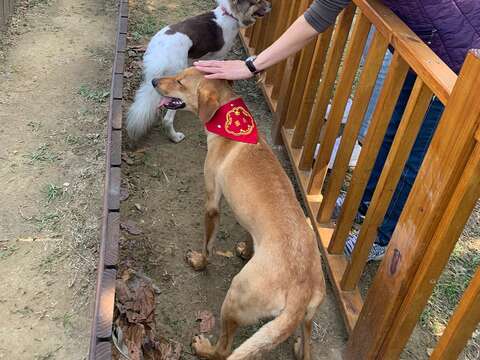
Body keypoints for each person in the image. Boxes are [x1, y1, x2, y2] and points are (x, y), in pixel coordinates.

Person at [195, 0, 480, 261]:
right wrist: (251, 65)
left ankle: (380, 237)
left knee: (412, 156)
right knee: (389, 134)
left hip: (460, 71)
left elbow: (317, 17)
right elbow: (319, 14)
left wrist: (251, 65)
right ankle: (365, 204)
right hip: (421, 48)